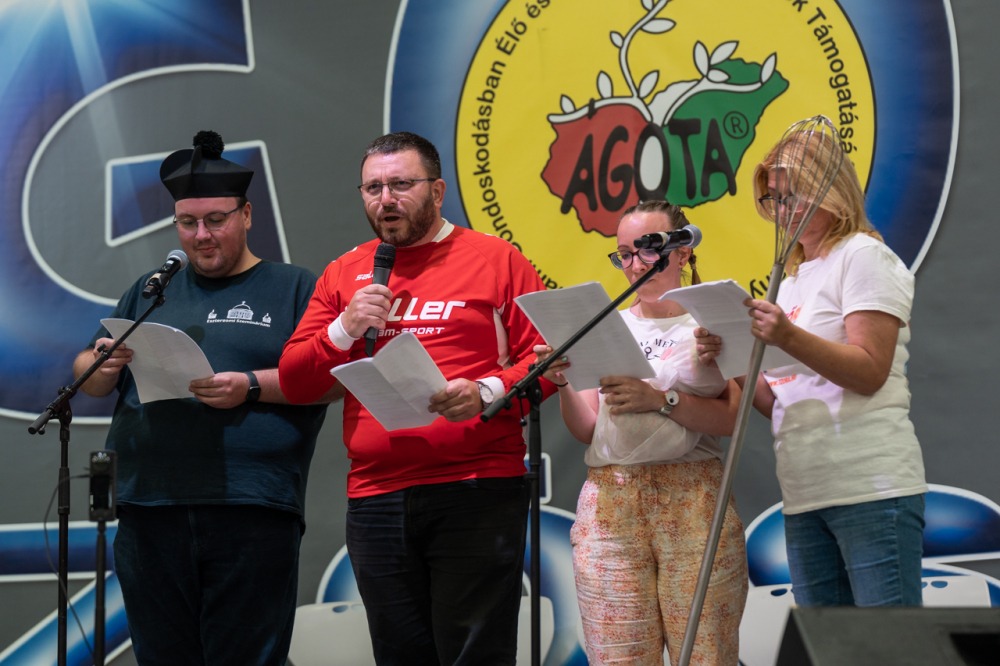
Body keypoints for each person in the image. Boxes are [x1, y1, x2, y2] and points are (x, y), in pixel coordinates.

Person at [278, 131, 553, 665]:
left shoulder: (496, 259)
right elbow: (295, 380)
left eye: (401, 184)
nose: (386, 199)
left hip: (476, 486)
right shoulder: (345, 272)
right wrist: (343, 328)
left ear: (438, 190)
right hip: (376, 494)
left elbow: (546, 362)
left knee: (475, 655)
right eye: (373, 188)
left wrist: (486, 392)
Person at [72, 130, 331, 665]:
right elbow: (88, 378)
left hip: (251, 505)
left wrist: (249, 385)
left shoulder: (293, 287)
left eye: (216, 220)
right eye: (187, 223)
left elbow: (328, 379)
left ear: (247, 215)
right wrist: (101, 360)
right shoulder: (152, 290)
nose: (202, 235)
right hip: (149, 506)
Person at [696, 122, 927, 607]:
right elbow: (776, 401)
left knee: (888, 641)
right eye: (774, 199)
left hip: (869, 486)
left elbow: (870, 370)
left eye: (794, 195)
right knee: (826, 642)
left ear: (832, 191)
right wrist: (729, 354)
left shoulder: (864, 257)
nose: (784, 211)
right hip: (805, 490)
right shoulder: (793, 279)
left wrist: (788, 336)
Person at [535, 200, 748, 665]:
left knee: (705, 654)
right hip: (610, 506)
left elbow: (735, 418)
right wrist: (563, 380)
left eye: (649, 249)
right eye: (625, 254)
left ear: (683, 251)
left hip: (692, 498)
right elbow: (588, 428)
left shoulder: (709, 323)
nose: (636, 265)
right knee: (619, 658)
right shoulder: (606, 326)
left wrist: (662, 400)